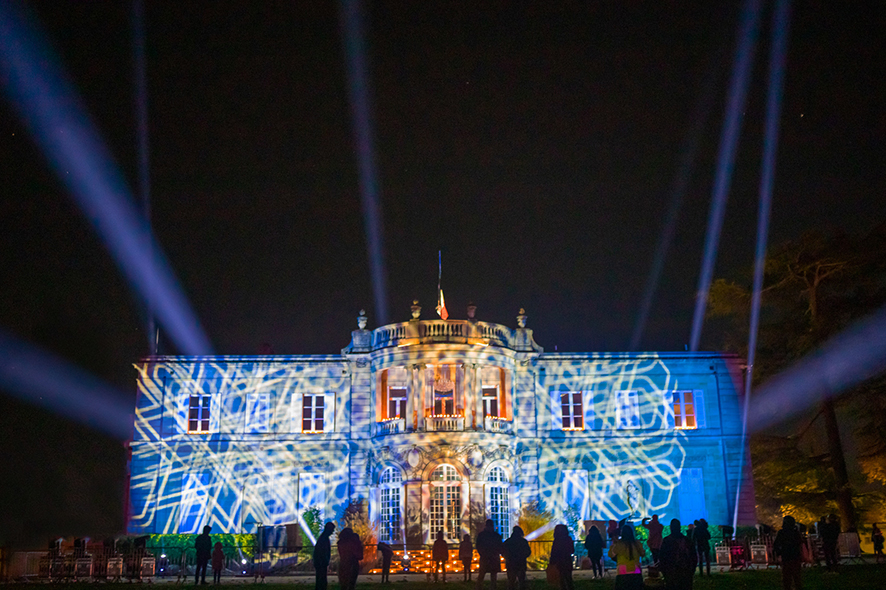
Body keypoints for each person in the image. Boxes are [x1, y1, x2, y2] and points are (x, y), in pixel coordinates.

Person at [659, 519, 697, 590]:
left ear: (670, 528)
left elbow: (662, 557)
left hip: (671, 573)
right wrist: (691, 571)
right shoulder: (687, 541)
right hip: (685, 572)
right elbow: (694, 557)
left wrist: (665, 571)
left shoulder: (667, 541)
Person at [608, 525, 645, 590]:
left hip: (622, 571)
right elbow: (643, 553)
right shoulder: (637, 543)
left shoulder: (619, 544)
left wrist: (613, 544)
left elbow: (611, 554)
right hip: (635, 570)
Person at [773, 515, 803, 590]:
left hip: (786, 556)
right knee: (796, 576)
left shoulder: (782, 533)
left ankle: (788, 587)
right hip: (795, 556)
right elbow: (800, 542)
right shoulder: (795, 532)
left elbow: (776, 544)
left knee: (786, 576)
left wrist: (779, 553)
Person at [476, 519, 503, 590]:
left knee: (483, 574)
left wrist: (482, 553)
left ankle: (479, 587)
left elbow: (478, 546)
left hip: (486, 557)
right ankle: (491, 587)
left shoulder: (481, 535)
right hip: (493, 557)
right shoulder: (496, 536)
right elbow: (500, 546)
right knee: (492, 575)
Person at [502, 526, 531, 590]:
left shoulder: (508, 541)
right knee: (521, 582)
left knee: (511, 582)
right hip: (521, 563)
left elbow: (502, 550)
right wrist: (523, 556)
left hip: (510, 563)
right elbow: (528, 552)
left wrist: (507, 557)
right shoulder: (523, 542)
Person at [549, 524, 574, 590]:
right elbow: (572, 550)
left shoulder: (557, 540)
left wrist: (552, 561)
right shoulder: (568, 539)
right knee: (568, 578)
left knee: (561, 578)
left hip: (559, 561)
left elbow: (554, 551)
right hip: (567, 560)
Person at [313, 522, 335, 590]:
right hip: (321, 563)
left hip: (321, 563)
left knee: (320, 581)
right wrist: (324, 561)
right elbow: (322, 551)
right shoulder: (324, 539)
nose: (332, 532)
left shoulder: (323, 538)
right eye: (332, 530)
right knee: (321, 581)